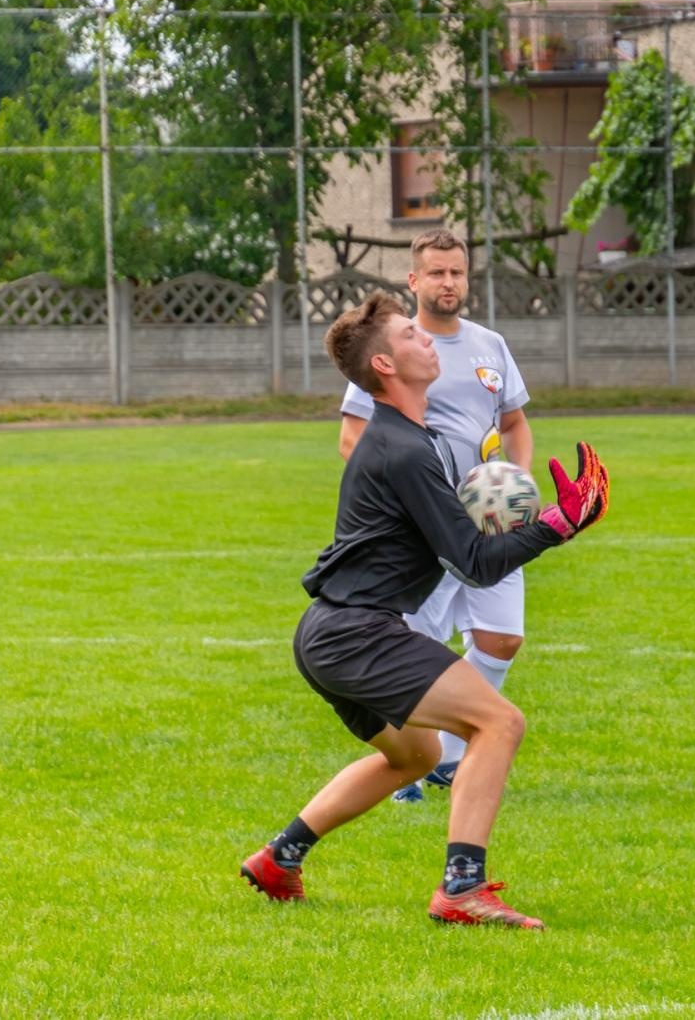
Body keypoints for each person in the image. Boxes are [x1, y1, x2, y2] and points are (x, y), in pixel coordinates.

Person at [241, 291, 608, 929]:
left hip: (328, 633)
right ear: (384, 365)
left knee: (414, 757)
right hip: (358, 634)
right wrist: (559, 523)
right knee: (499, 724)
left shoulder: (415, 439)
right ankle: (461, 888)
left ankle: (281, 858)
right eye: (411, 334)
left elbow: (465, 548)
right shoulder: (405, 449)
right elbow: (475, 562)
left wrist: (524, 512)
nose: (427, 339)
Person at [338, 228, 536, 803]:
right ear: (414, 279)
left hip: (492, 520)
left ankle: (444, 758)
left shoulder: (490, 345)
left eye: (457, 271)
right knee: (419, 645)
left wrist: (516, 484)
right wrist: (416, 500)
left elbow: (515, 424)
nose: (449, 282)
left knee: (502, 639)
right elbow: (354, 438)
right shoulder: (397, 347)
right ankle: (413, 767)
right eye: (437, 272)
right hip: (429, 529)